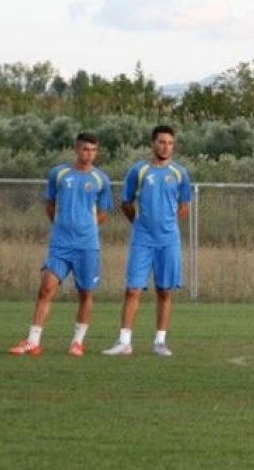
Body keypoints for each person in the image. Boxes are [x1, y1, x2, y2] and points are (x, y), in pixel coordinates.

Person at [9, 132, 112, 356]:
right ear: (76, 149)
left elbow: (103, 212)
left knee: (85, 293)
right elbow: (50, 205)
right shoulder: (59, 173)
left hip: (87, 246)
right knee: (46, 288)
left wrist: (85, 227)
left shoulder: (101, 179)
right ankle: (33, 341)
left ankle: (77, 342)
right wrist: (63, 225)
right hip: (60, 244)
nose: (89, 155)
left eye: (94, 151)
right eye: (86, 149)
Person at [103, 125, 191, 356]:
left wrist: (168, 227)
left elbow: (184, 206)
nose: (166, 147)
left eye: (170, 143)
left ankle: (160, 342)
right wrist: (141, 224)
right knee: (132, 289)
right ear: (153, 143)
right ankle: (124, 342)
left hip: (168, 241)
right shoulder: (138, 171)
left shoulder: (180, 173)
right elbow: (126, 203)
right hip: (142, 240)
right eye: (161, 142)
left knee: (164, 290)